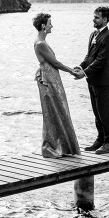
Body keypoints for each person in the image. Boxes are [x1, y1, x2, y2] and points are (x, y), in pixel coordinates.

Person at [33, 12, 81, 158]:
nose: (51, 25)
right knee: (54, 111)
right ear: (43, 26)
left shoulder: (42, 42)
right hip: (48, 81)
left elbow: (53, 63)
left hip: (52, 79)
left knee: (58, 110)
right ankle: (53, 147)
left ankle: (62, 146)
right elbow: (55, 63)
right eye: (49, 23)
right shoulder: (40, 43)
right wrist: (71, 71)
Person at [74, 6, 109, 154]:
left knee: (103, 112)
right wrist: (80, 66)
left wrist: (84, 73)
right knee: (96, 112)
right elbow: (89, 56)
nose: (93, 19)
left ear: (104, 19)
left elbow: (101, 61)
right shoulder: (93, 34)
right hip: (92, 80)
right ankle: (100, 139)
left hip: (103, 81)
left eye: (96, 17)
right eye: (94, 17)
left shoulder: (108, 36)